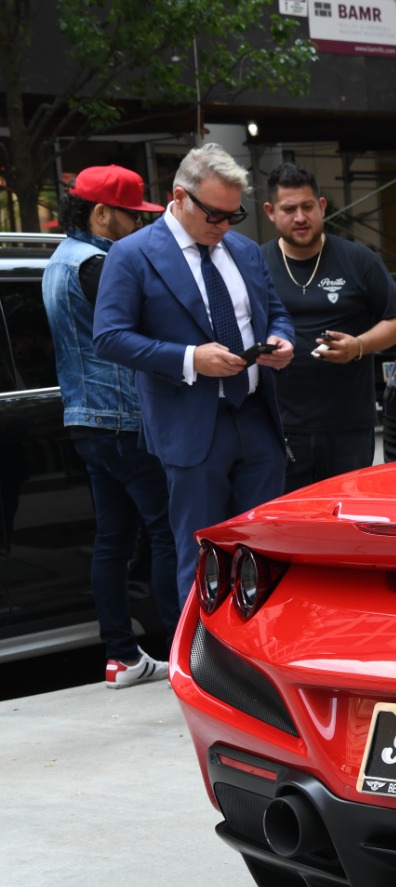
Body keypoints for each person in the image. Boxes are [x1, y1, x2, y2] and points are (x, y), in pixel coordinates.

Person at [94, 144, 295, 609]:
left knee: (265, 551)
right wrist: (189, 358)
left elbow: (276, 313)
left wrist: (283, 341)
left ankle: (259, 665)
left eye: (233, 215)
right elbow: (108, 337)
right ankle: (202, 665)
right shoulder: (132, 254)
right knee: (202, 557)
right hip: (191, 424)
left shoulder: (241, 250)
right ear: (179, 197)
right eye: (215, 215)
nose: (224, 226)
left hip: (257, 418)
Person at [42, 165, 179, 688]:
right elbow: (133, 334)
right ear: (101, 213)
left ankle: (122, 655)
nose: (137, 226)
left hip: (84, 418)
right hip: (124, 420)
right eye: (130, 215)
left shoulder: (57, 261)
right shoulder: (99, 265)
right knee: (166, 532)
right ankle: (178, 654)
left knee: (113, 540)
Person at [261, 163, 396, 489]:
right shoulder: (256, 264)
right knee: (287, 527)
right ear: (271, 212)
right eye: (289, 209)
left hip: (348, 426)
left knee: (344, 526)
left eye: (307, 206)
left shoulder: (358, 259)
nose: (300, 217)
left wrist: (358, 346)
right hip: (281, 425)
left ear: (322, 206)